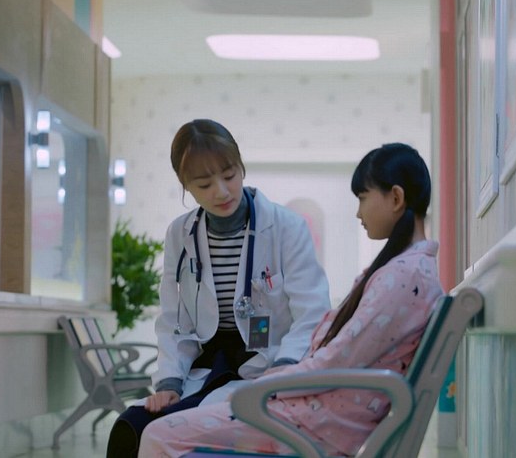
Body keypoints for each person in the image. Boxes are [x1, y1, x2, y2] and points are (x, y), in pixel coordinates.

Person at [137, 142, 443, 457]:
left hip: (317, 423)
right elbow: (339, 355)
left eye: (362, 198)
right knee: (153, 424)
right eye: (204, 184)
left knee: (158, 435)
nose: (357, 212)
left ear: (396, 198)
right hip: (313, 412)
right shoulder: (406, 272)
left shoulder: (403, 278)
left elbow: (335, 360)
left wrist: (268, 385)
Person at [107, 119, 331, 457]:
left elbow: (312, 312)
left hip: (266, 361)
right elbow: (173, 319)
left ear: (241, 166)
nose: (222, 191)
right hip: (207, 364)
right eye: (204, 183)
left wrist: (283, 368)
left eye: (229, 175)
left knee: (180, 432)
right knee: (130, 427)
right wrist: (169, 382)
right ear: (185, 186)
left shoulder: (286, 227)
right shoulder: (180, 234)